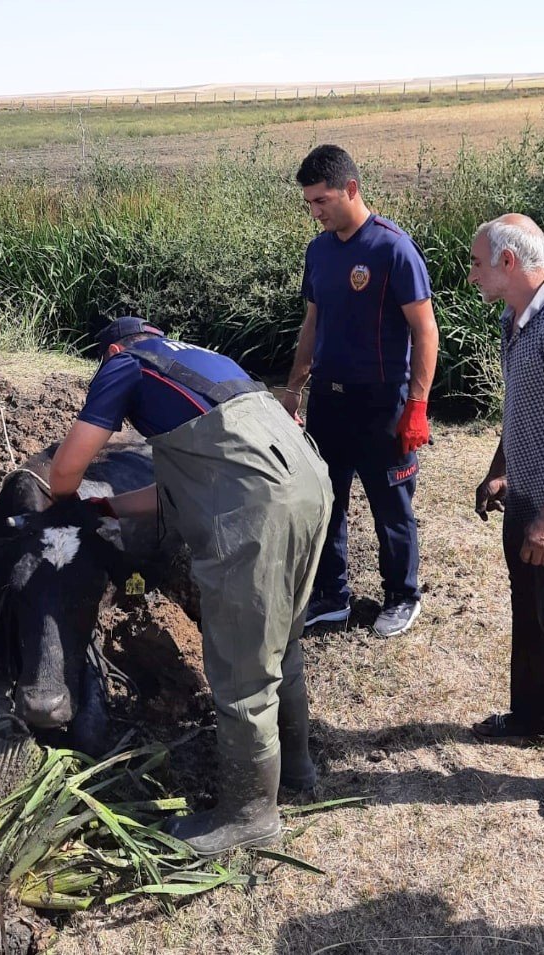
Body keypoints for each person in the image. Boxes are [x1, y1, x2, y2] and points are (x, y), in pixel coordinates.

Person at [50, 316, 333, 855]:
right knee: (282, 639)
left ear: (114, 346)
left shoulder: (124, 363)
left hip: (256, 511)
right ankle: (297, 767)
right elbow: (186, 485)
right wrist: (108, 505)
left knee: (238, 670)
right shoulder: (205, 362)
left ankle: (249, 814)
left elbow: (65, 473)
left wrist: (62, 502)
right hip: (307, 485)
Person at [281, 145, 439, 638]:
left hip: (381, 401)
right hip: (330, 398)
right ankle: (333, 595)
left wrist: (416, 405)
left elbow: (425, 331)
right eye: (309, 203)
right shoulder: (318, 250)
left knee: (390, 502)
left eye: (322, 200)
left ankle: (402, 595)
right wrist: (294, 389)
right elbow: (313, 321)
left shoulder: (392, 248)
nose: (315, 211)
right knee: (327, 499)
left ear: (351, 189)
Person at [470, 214, 544, 741]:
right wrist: (501, 469)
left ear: (509, 262)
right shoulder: (513, 319)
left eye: (477, 264)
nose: (472, 275)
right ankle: (529, 718)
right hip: (522, 500)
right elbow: (521, 406)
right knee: (529, 614)